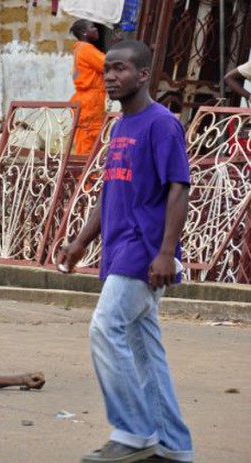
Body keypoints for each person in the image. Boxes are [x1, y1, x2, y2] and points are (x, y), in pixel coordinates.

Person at [56, 40, 194, 463]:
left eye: (120, 70)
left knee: (105, 327)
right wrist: (81, 241)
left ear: (143, 75)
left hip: (145, 253)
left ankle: (134, 432)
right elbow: (111, 188)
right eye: (108, 70)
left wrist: (167, 252)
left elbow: (179, 188)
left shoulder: (161, 124)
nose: (111, 77)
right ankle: (173, 445)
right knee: (144, 350)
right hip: (120, 250)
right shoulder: (120, 127)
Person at [69, 19, 107, 157]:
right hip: (90, 101)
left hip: (87, 100)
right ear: (84, 32)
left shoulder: (81, 48)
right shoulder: (86, 49)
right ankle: (87, 177)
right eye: (93, 27)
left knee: (88, 142)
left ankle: (86, 176)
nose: (96, 29)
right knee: (89, 142)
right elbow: (106, 64)